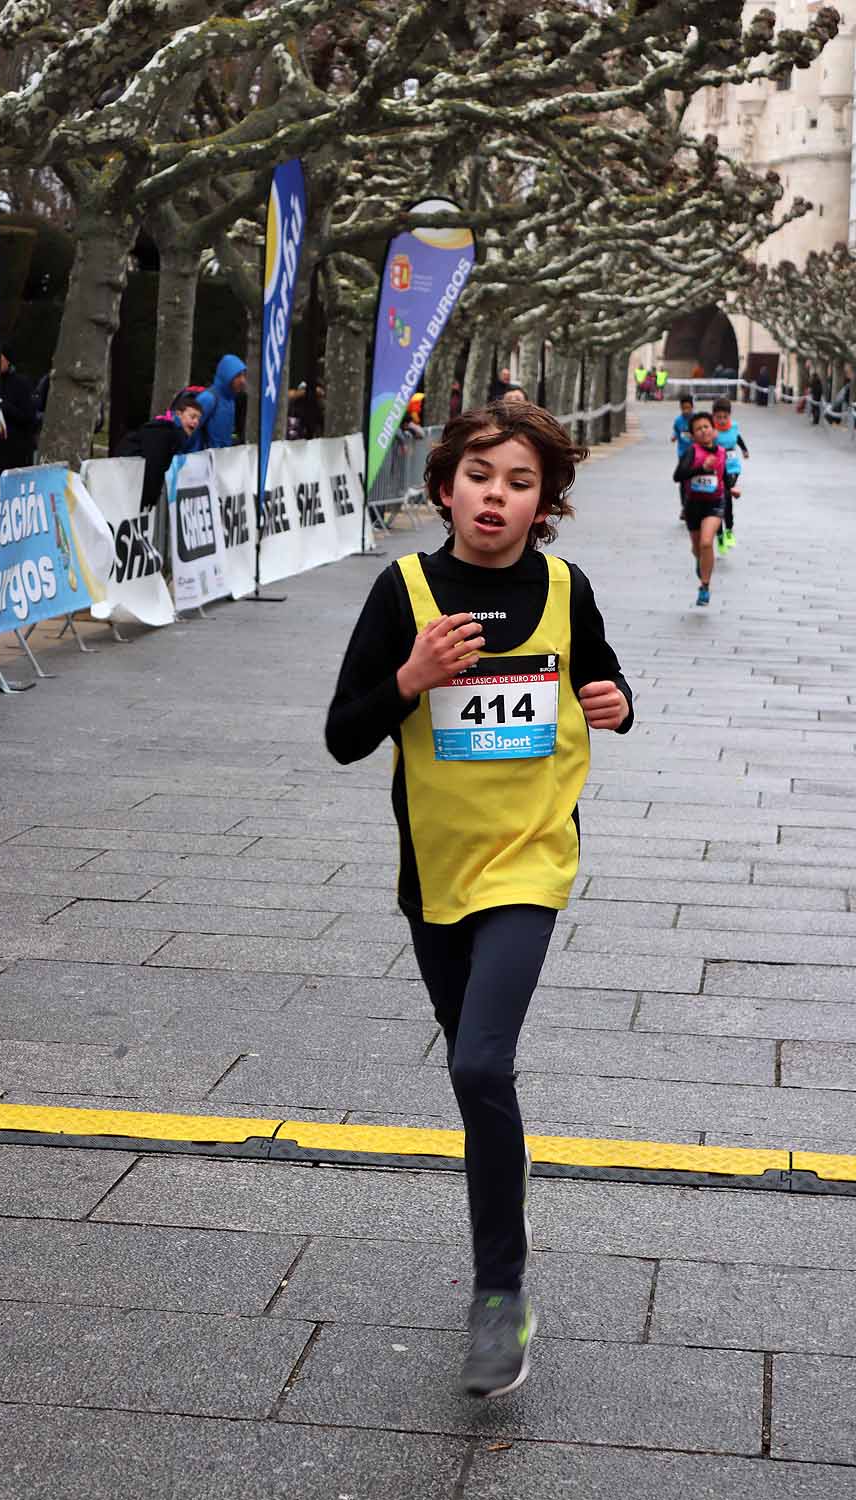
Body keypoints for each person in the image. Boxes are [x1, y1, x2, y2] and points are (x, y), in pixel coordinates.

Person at [325, 398, 633, 1400]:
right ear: (443, 484)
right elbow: (344, 733)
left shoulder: (562, 587)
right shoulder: (405, 589)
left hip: (530, 862)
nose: (495, 497)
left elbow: (607, 683)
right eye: (480, 477)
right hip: (435, 875)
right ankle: (507, 1197)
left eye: (518, 482)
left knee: (477, 1060)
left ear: (544, 503)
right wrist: (411, 677)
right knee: (479, 1084)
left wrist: (616, 703)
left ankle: (499, 1291)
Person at [674, 409, 726, 607]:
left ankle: (704, 586)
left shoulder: (721, 452)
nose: (704, 431)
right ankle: (700, 560)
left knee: (706, 543)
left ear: (713, 430)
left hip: (714, 504)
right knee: (697, 548)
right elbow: (678, 476)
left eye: (706, 427)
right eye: (698, 429)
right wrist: (701, 468)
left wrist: (732, 487)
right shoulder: (692, 451)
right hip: (693, 505)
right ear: (693, 434)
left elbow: (725, 476)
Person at [116, 394, 202, 509]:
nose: (196, 422)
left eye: (198, 419)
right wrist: (151, 497)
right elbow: (153, 465)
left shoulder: (174, 434)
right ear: (179, 414)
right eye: (192, 416)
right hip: (126, 483)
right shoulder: (164, 433)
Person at [712, 398, 748, 553]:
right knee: (718, 502)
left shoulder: (734, 426)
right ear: (713, 416)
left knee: (726, 498)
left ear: (729, 415)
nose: (721, 420)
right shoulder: (711, 430)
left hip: (732, 468)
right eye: (718, 417)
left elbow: (738, 438)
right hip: (717, 469)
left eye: (725, 417)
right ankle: (719, 535)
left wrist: (745, 450)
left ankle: (729, 530)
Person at [192, 354, 246, 449]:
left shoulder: (231, 400)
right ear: (226, 375)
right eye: (237, 376)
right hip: (203, 459)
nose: (242, 380)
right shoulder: (208, 398)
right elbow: (189, 432)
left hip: (221, 460)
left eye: (243, 375)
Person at [0, 349, 39, 471]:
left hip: (18, 449)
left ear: (8, 361)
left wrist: (3, 405)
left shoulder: (21, 383)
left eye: (0, 359)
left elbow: (29, 417)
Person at [670, 393, 694, 519]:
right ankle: (684, 507)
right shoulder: (678, 421)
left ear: (692, 407)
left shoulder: (696, 420)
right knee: (684, 482)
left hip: (696, 454)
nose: (686, 411)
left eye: (688, 408)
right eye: (683, 408)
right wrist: (674, 436)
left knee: (693, 481)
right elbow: (676, 430)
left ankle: (695, 507)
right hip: (683, 455)